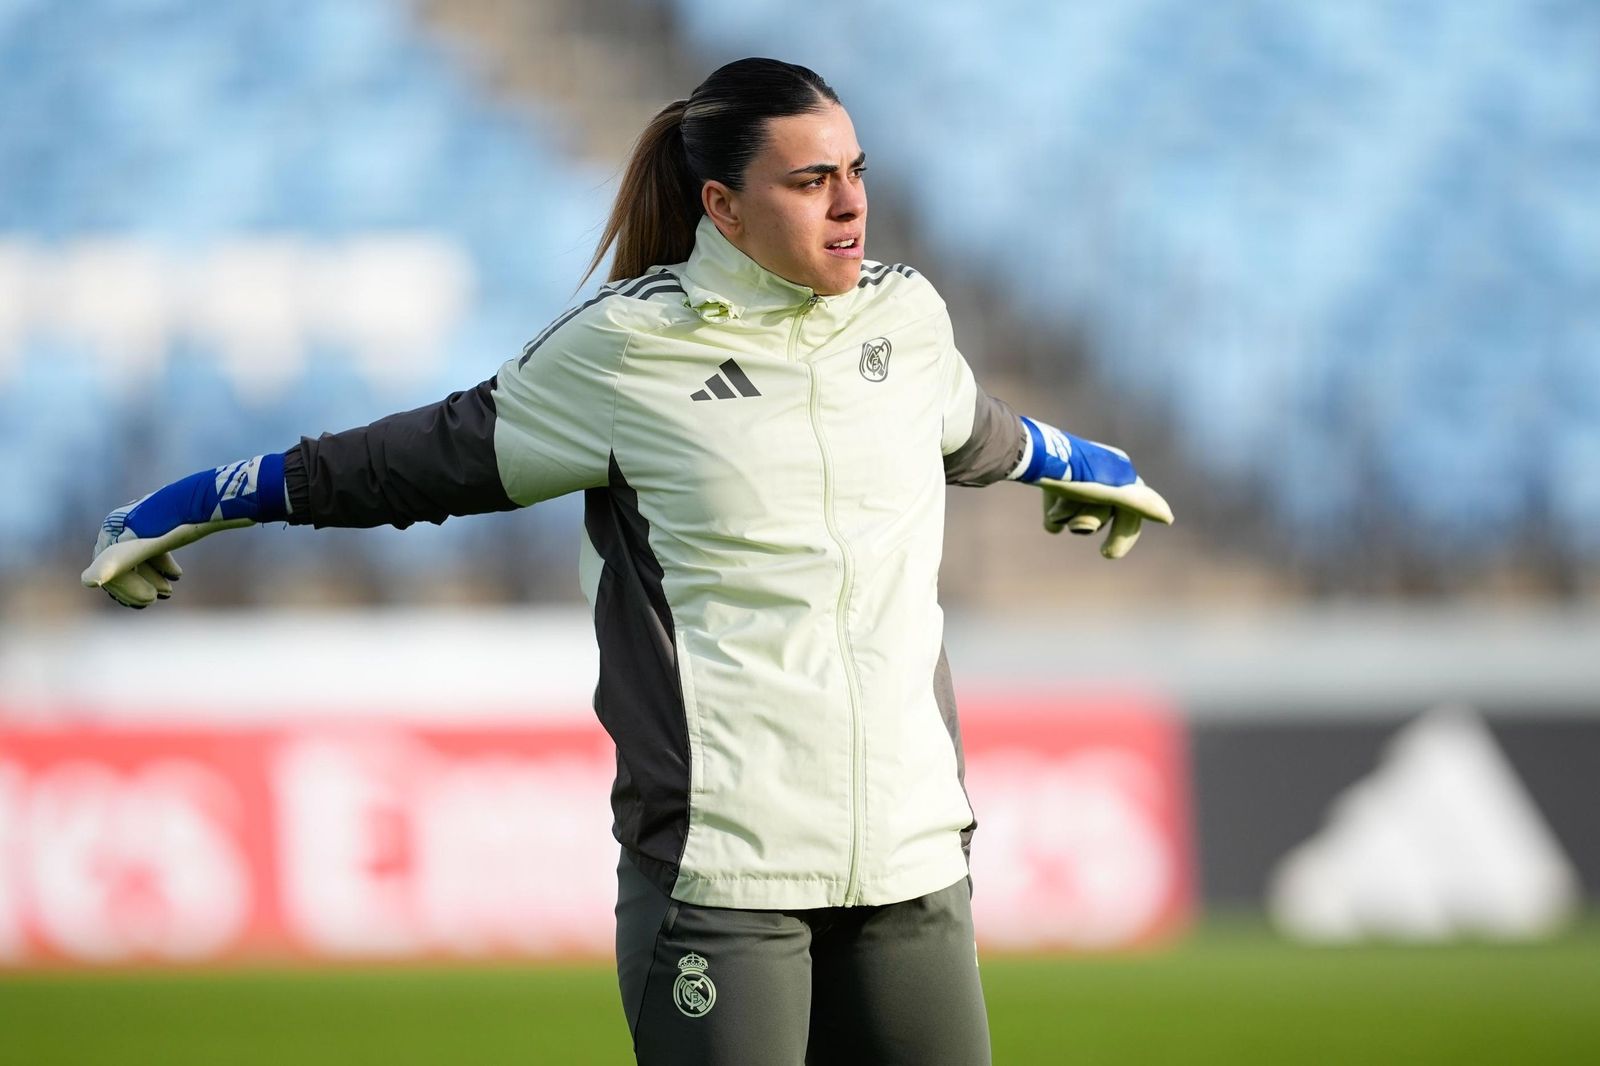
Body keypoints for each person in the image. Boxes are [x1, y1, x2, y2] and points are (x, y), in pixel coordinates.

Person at [83, 58, 1172, 1066]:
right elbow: (417, 461)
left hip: (913, 860)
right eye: (810, 181)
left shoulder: (908, 317)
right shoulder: (625, 351)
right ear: (723, 207)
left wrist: (1074, 459)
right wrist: (213, 496)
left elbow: (968, 426)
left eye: (855, 173)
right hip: (723, 875)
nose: (850, 205)